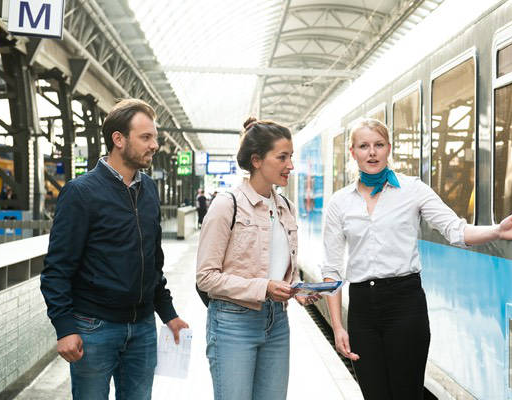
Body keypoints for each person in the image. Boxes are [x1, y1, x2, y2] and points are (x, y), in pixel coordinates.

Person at [321, 119, 512, 400]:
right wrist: (338, 326)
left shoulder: (413, 190)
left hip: (405, 303)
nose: (372, 152)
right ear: (353, 152)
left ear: (389, 149)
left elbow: (456, 231)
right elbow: (331, 269)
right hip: (363, 309)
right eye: (364, 146)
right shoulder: (340, 202)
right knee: (374, 394)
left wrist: (497, 231)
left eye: (378, 145)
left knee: (407, 393)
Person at [40, 99, 189, 400]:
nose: (155, 145)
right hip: (95, 327)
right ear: (118, 139)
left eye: (155, 137)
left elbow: (153, 263)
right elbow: (57, 269)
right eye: (146, 137)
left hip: (144, 327)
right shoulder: (81, 193)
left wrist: (168, 313)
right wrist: (65, 327)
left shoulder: (149, 191)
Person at [196, 117, 319, 400]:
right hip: (233, 322)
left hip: (277, 322)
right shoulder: (227, 205)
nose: (291, 165)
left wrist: (298, 289)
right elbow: (206, 277)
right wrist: (263, 287)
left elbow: (286, 267)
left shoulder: (285, 206)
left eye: (291, 157)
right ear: (257, 160)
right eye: (283, 157)